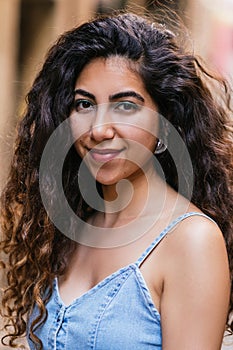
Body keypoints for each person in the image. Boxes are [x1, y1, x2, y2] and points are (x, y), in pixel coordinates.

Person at [0, 11, 232, 350]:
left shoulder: (191, 241)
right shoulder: (69, 232)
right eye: (84, 104)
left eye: (125, 106)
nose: (99, 129)